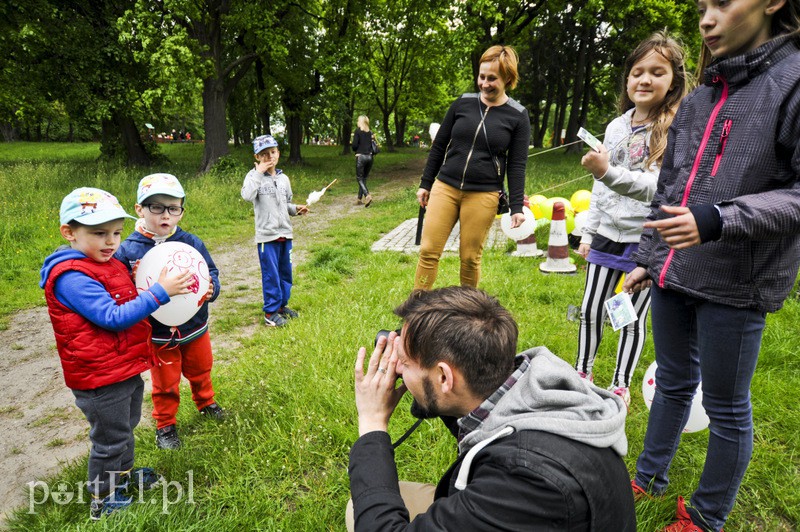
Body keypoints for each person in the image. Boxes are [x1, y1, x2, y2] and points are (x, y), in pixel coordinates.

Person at [623, 1, 800, 530]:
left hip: (737, 281)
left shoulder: (793, 82)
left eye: (721, 3)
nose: (705, 19)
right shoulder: (700, 97)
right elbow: (671, 189)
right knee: (674, 381)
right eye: (702, 6)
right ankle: (648, 476)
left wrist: (721, 218)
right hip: (674, 272)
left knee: (725, 405)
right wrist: (648, 260)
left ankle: (705, 515)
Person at [348, 286, 635, 531]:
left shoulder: (521, 480)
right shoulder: (538, 383)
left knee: (365, 510)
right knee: (361, 503)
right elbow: (461, 401)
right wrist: (415, 362)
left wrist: (373, 423)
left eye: (404, 362)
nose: (396, 366)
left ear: (445, 378)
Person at [40, 187, 193, 519]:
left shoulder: (103, 262)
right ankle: (103, 498)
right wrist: (160, 293)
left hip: (121, 368)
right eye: (99, 234)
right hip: (98, 377)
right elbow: (112, 317)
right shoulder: (72, 278)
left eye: (116, 233)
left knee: (126, 425)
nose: (111, 242)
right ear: (69, 232)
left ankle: (121, 478)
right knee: (110, 438)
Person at [574, 32, 689, 407]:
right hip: (607, 234)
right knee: (592, 309)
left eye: (657, 72)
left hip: (643, 241)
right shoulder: (615, 127)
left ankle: (619, 385)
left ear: (673, 81)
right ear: (627, 79)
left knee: (624, 316)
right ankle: (581, 373)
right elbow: (601, 189)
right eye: (637, 71)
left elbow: (657, 188)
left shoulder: (674, 130)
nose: (645, 79)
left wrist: (608, 172)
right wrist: (588, 231)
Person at [115, 173, 226, 451]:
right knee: (165, 382)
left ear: (181, 211)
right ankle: (165, 425)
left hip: (195, 326)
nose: (165, 215)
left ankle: (206, 402)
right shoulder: (127, 250)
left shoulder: (191, 242)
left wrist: (213, 287)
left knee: (201, 369)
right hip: (158, 334)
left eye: (173, 208)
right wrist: (133, 280)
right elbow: (118, 291)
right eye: (156, 207)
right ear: (139, 209)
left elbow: (210, 271)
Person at [414, 45, 530, 290]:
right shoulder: (462, 104)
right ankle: (415, 315)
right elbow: (439, 146)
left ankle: (469, 318)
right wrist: (426, 183)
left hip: (484, 194)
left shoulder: (518, 115)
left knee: (469, 258)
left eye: (492, 79)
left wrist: (516, 206)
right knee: (428, 251)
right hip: (445, 186)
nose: (485, 84)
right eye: (481, 76)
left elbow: (517, 164)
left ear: (508, 79)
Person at [241, 134, 308, 327]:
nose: (269, 157)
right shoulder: (254, 177)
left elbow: (285, 204)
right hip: (267, 237)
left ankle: (281, 306)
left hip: (285, 234)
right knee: (271, 274)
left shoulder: (284, 179)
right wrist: (258, 173)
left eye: (272, 152)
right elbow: (247, 195)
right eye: (264, 154)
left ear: (278, 153)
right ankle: (270, 313)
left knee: (285, 273)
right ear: (256, 157)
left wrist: (296, 209)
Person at [351, 115, 376, 207]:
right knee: (364, 178)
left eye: (358, 121)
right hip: (370, 157)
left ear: (360, 122)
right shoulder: (370, 133)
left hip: (361, 157)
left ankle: (367, 195)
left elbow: (354, 146)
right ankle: (359, 199)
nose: (357, 122)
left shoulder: (357, 131)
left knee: (359, 178)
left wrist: (356, 148)